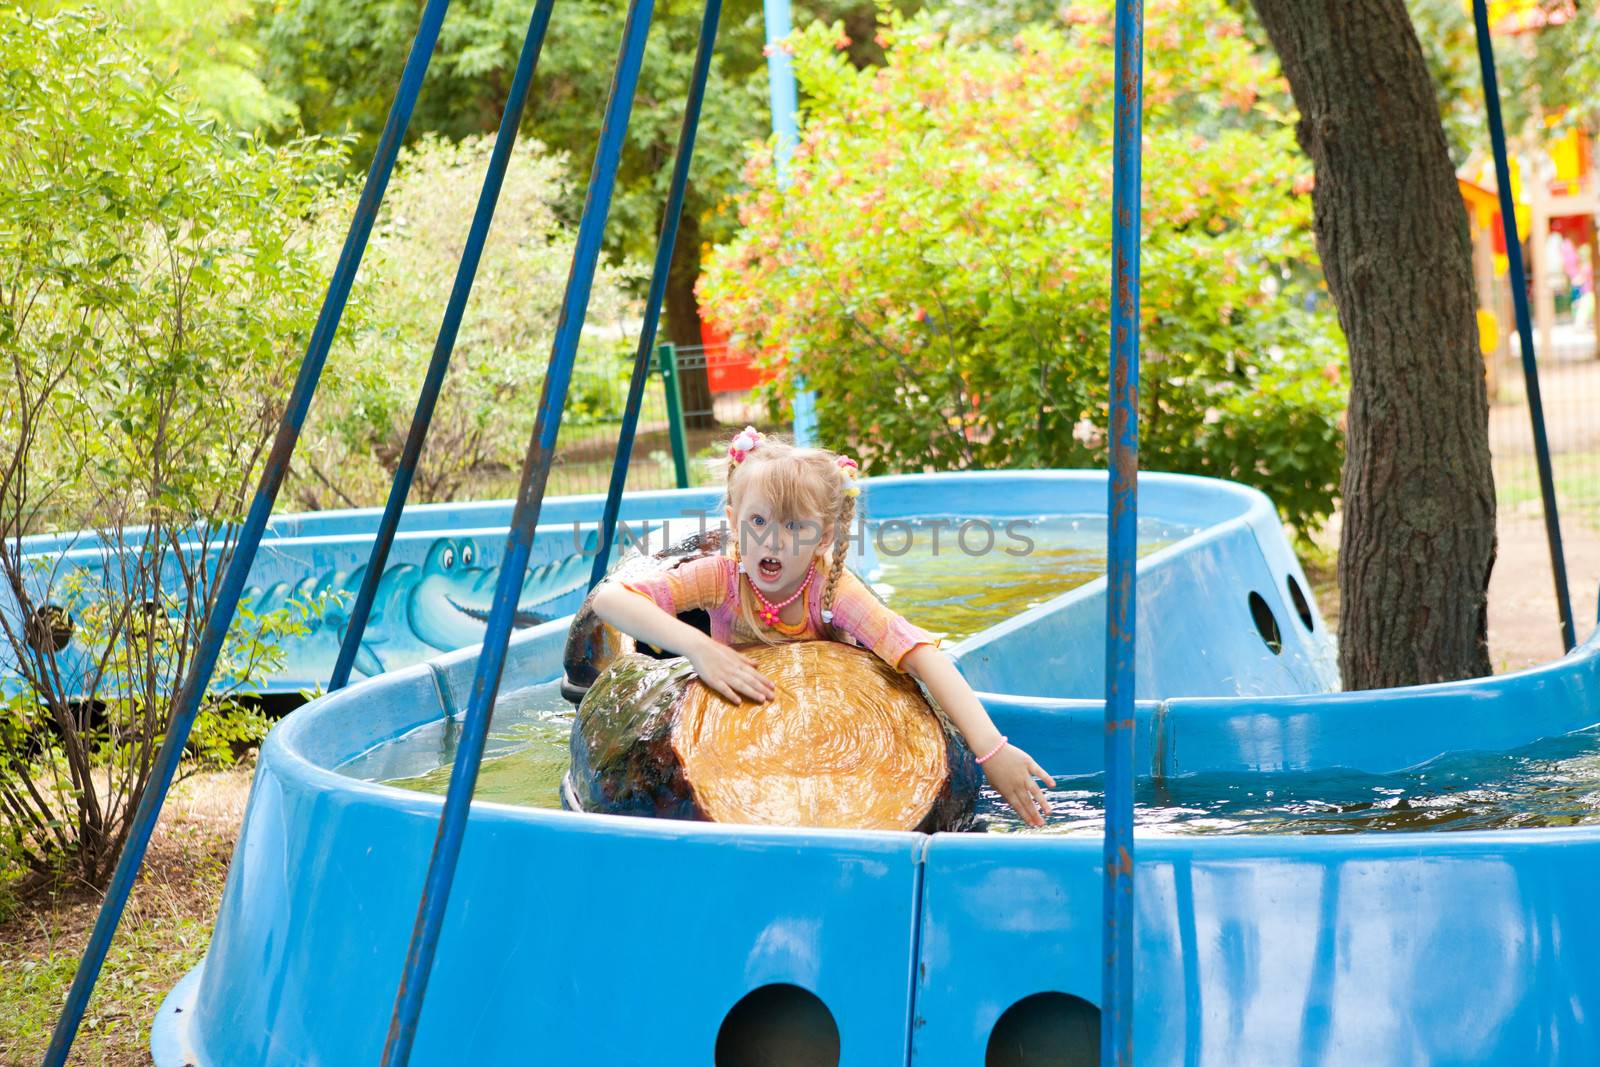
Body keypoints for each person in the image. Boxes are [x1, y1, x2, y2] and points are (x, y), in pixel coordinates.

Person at [590, 426, 1056, 827]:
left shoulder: (829, 591)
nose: (771, 540)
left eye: (795, 528)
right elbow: (610, 599)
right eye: (757, 521)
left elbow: (921, 654)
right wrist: (696, 646)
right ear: (732, 522)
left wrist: (992, 752)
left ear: (824, 538)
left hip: (828, 744)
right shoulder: (722, 576)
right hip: (748, 744)